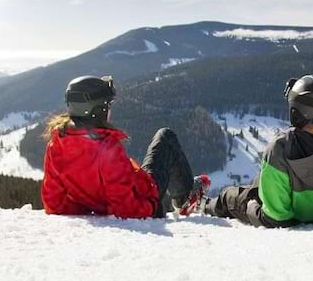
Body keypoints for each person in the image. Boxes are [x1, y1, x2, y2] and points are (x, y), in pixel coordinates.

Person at [202, 74, 313, 227]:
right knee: (258, 184)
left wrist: (251, 206)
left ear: (296, 111)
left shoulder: (280, 150)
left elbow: (276, 219)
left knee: (229, 196)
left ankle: (202, 205)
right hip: (305, 210)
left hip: (271, 206)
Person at [41, 75, 209, 218]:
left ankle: (183, 196)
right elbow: (127, 208)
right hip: (145, 196)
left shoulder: (56, 144)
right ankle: (185, 198)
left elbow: (54, 203)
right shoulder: (107, 148)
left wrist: (91, 207)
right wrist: (152, 205)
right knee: (165, 137)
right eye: (107, 105)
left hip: (122, 195)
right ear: (96, 110)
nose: (109, 110)